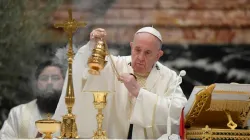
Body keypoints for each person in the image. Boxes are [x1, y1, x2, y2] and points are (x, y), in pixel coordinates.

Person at [54, 27, 187, 139]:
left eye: (148, 53)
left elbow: (178, 113)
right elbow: (84, 72)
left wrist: (139, 93)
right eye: (137, 50)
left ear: (158, 55)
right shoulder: (115, 65)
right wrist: (93, 46)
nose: (140, 58)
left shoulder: (169, 77)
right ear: (131, 46)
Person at [0, 60, 65, 139]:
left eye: (55, 78)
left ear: (65, 82)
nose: (49, 83)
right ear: (37, 83)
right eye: (44, 78)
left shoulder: (76, 114)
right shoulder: (18, 114)